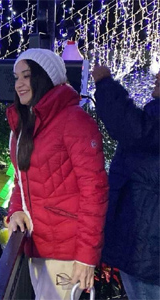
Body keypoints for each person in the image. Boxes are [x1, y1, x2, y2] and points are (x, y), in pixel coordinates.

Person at [6, 48, 108, 299]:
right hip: (37, 244)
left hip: (67, 251)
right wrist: (15, 209)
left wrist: (86, 257)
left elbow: (94, 191)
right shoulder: (25, 123)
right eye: (16, 77)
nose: (19, 84)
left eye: (27, 76)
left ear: (45, 77)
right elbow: (21, 179)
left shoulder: (74, 121)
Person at [92, 67, 160, 297]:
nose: (157, 76)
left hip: (148, 252)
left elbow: (133, 128)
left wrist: (105, 84)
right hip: (144, 245)